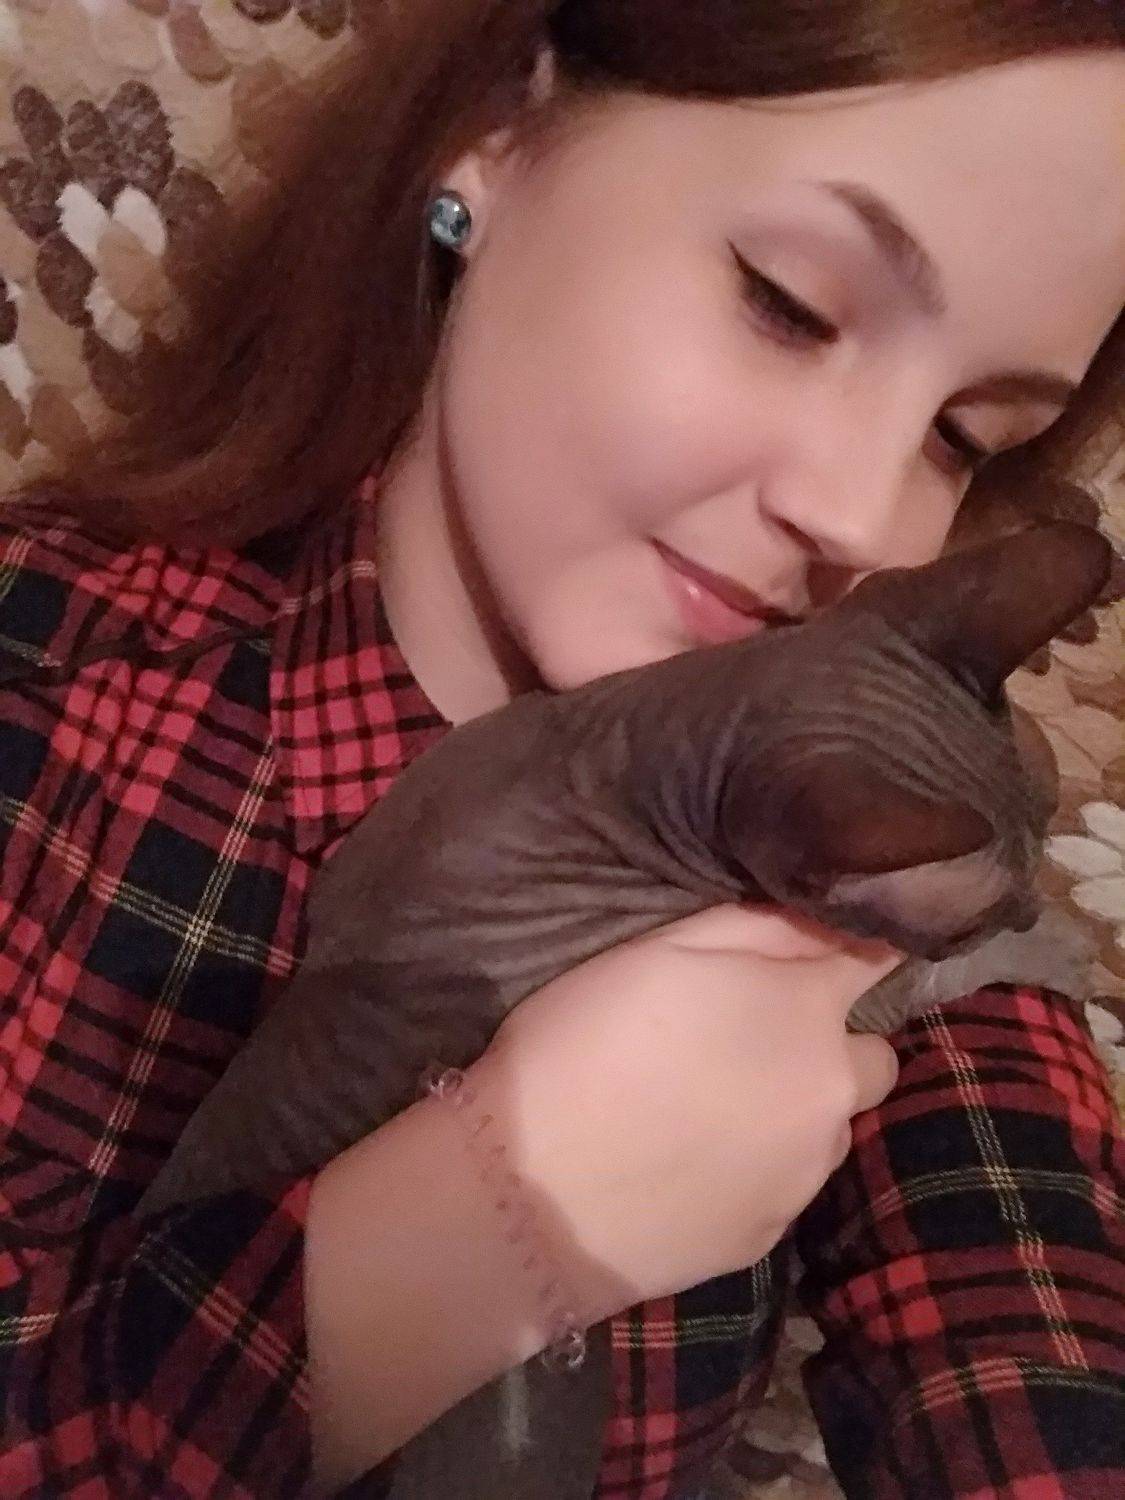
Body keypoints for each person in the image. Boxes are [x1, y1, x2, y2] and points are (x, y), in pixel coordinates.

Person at [1, 2, 1122, 1497]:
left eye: (962, 439)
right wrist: (455, 1240)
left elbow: (1022, 1311)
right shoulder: (51, 679)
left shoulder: (853, 811)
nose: (861, 516)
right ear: (500, 135)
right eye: (789, 304)